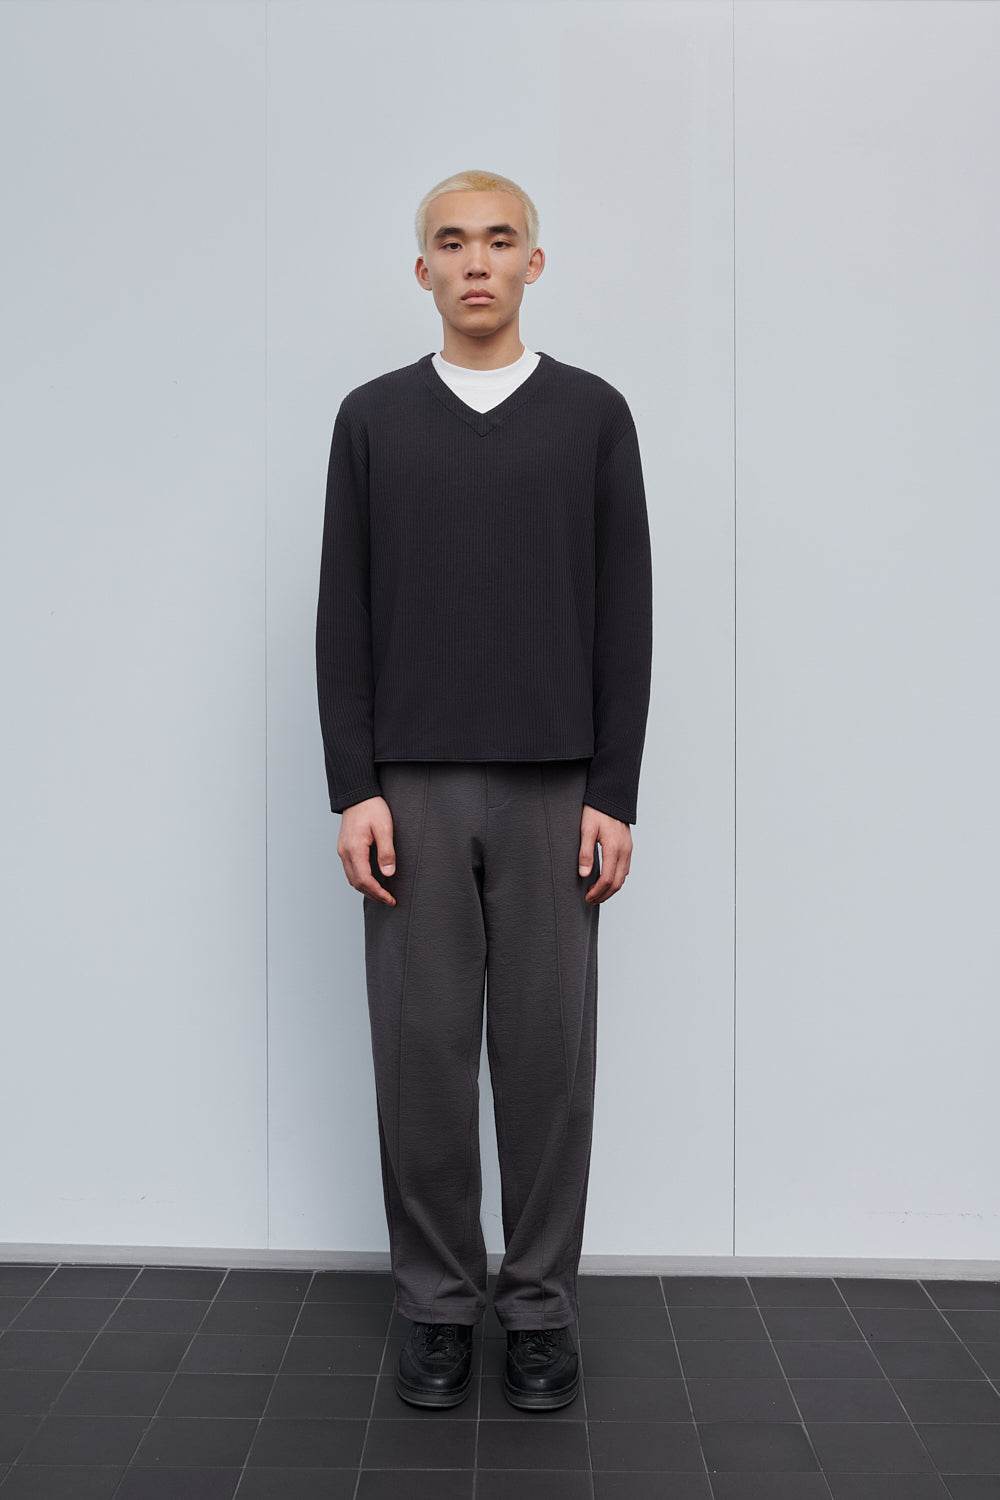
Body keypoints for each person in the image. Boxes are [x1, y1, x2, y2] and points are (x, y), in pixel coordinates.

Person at [315, 168, 653, 1411]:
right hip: (411, 790)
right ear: (422, 271)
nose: (475, 260)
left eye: (499, 240)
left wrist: (614, 791)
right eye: (451, 242)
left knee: (547, 1065)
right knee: (421, 1057)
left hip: (556, 790)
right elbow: (341, 612)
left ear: (532, 263)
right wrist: (354, 787)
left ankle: (541, 1310)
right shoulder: (372, 419)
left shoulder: (592, 415)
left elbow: (626, 611)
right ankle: (437, 1305)